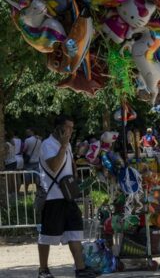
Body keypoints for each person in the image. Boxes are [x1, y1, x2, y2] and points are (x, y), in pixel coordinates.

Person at [37, 115, 97, 278]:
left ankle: (80, 268)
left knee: (74, 231)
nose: (70, 131)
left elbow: (71, 166)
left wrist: (74, 180)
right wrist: (63, 146)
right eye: (68, 127)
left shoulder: (67, 145)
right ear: (58, 128)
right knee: (47, 235)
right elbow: (54, 167)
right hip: (52, 197)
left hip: (67, 196)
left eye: (72, 128)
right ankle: (43, 270)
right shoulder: (47, 144)